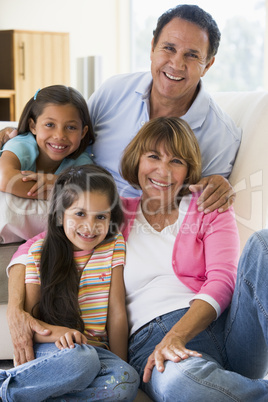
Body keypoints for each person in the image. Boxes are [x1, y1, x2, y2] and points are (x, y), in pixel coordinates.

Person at [1, 4, 241, 212]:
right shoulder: (114, 91)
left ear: (208, 65)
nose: (176, 64)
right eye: (168, 48)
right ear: (152, 48)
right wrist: (16, 136)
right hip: (78, 214)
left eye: (192, 55)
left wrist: (218, 189)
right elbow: (70, 134)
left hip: (146, 231)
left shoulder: (222, 138)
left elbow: (201, 207)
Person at [0, 164, 139, 401]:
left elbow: (116, 313)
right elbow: (32, 322)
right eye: (80, 213)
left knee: (127, 379)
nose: (90, 226)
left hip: (97, 351)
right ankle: (5, 388)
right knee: (82, 359)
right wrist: (59, 334)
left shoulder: (114, 247)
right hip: (54, 349)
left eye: (101, 217)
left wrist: (120, 361)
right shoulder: (38, 253)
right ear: (60, 213)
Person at [0, 85, 94, 200]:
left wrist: (55, 181)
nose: (59, 136)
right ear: (33, 126)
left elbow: (94, 190)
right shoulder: (22, 145)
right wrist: (64, 187)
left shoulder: (80, 160)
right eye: (50, 125)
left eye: (71, 127)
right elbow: (3, 179)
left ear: (83, 133)